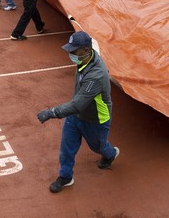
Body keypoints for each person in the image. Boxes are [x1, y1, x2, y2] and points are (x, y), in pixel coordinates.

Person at [37, 31, 119, 193]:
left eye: (74, 51)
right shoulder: (85, 58)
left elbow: (77, 105)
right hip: (75, 116)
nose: (70, 53)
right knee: (67, 147)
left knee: (98, 147)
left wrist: (52, 112)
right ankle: (66, 176)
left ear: (86, 51)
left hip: (95, 119)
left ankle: (110, 153)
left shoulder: (96, 75)